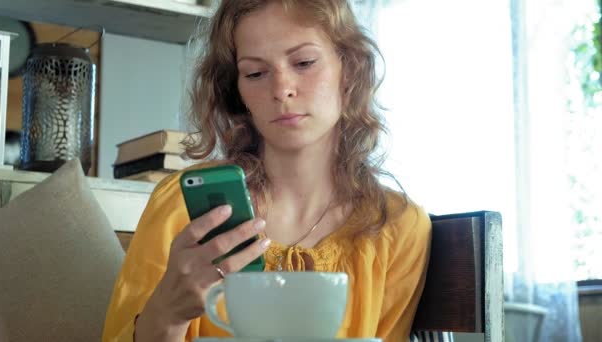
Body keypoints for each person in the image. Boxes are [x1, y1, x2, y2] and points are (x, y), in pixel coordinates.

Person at [102, 1, 432, 341]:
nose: (281, 89)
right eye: (256, 73)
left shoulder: (398, 228)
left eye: (304, 63)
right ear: (237, 92)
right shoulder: (180, 208)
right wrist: (167, 314)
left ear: (349, 69)